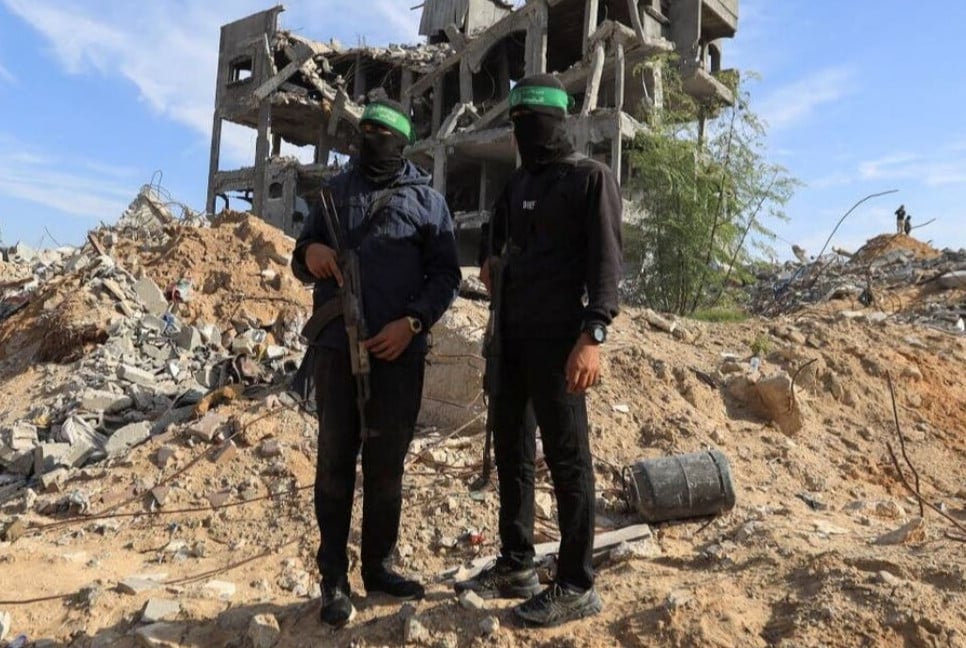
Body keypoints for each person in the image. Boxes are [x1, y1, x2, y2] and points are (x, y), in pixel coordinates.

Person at [454, 74, 623, 627]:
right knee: (513, 454)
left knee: (569, 462)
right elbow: (493, 238)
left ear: (557, 121)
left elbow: (606, 268)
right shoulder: (518, 183)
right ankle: (516, 563)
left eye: (533, 121)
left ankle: (575, 583)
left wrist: (592, 337)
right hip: (510, 341)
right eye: (518, 122)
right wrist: (491, 260)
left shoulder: (589, 179)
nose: (525, 132)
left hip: (560, 345)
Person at [291, 99, 461, 628]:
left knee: (387, 466)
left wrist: (412, 323)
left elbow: (446, 276)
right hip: (336, 351)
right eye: (364, 130)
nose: (370, 139)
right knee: (334, 465)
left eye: (381, 133)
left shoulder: (427, 202)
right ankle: (333, 578)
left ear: (401, 142)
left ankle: (379, 566)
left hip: (397, 355)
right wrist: (311, 255)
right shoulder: (334, 193)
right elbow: (301, 256)